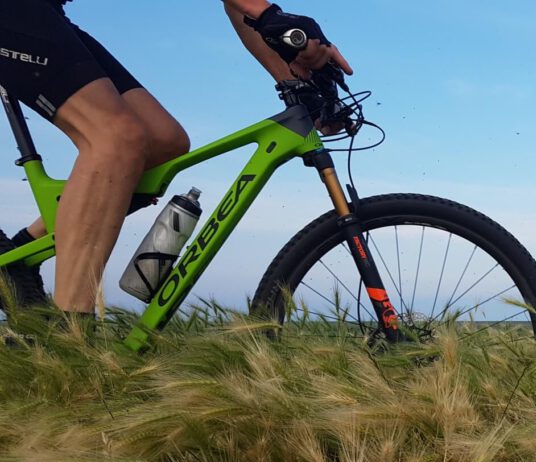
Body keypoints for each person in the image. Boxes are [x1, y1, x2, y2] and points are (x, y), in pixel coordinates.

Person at [0, 0, 351, 320]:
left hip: (42, 13)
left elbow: (241, 8)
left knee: (164, 141)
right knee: (115, 137)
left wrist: (296, 83)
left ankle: (20, 254)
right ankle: (71, 332)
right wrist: (273, 18)